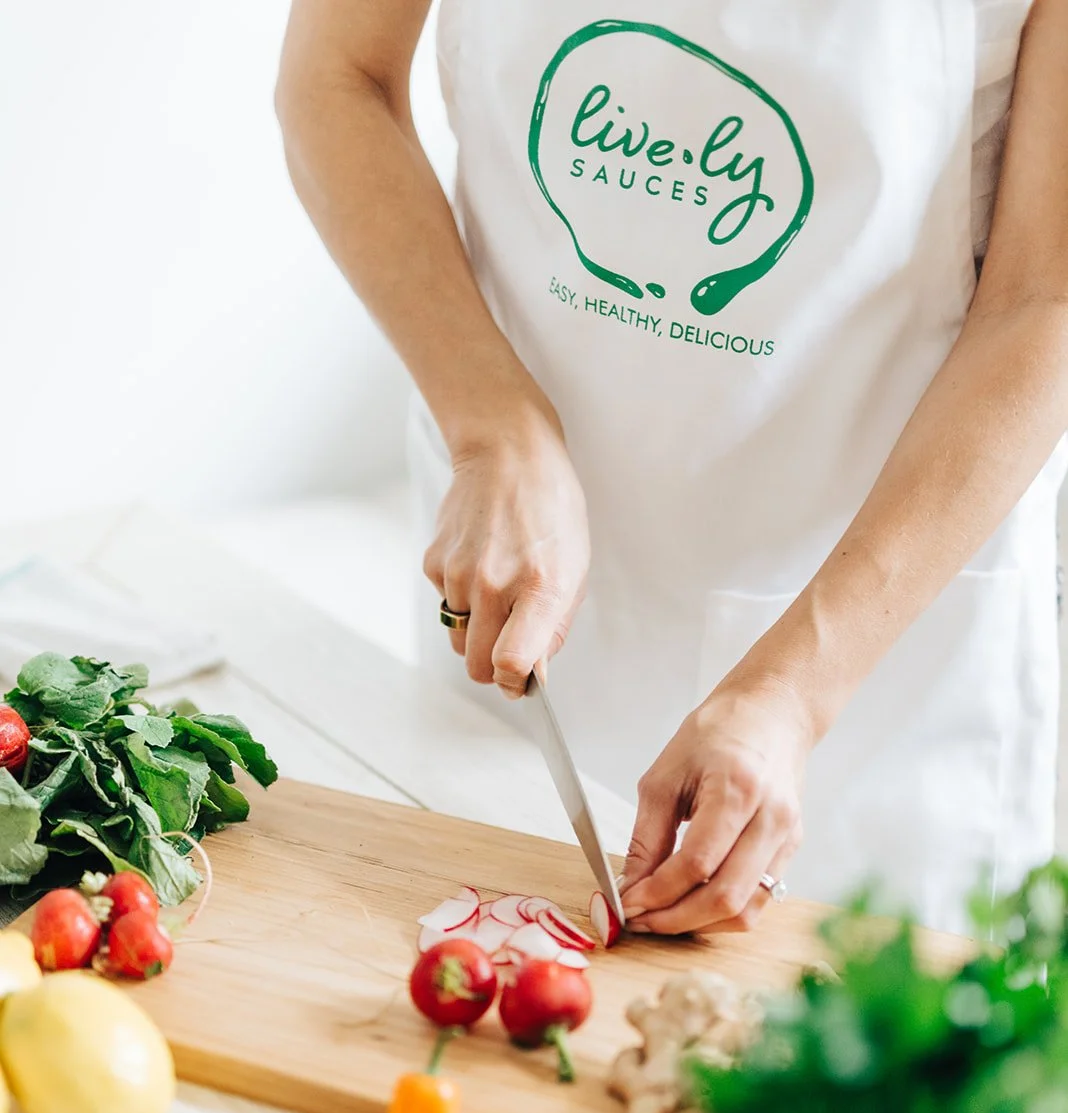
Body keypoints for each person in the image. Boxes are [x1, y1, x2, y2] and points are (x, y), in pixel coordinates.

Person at [276, 0, 1068, 934]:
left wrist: (797, 689)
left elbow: (1043, 295)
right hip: (521, 591)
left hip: (878, 639)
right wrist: (492, 420)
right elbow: (338, 79)